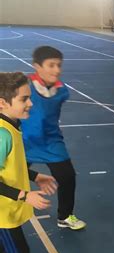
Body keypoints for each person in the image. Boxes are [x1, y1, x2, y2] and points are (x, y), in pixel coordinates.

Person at [0, 72, 57, 253]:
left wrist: (34, 176)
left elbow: (9, 165)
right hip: (3, 216)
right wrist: (25, 195)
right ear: (3, 103)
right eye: (24, 99)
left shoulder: (10, 125)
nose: (30, 103)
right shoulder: (3, 134)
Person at [21, 46, 86, 231]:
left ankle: (65, 216)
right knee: (9, 176)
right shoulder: (24, 86)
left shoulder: (61, 91)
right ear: (37, 67)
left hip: (51, 141)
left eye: (59, 65)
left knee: (67, 176)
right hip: (24, 140)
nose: (57, 70)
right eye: (51, 65)